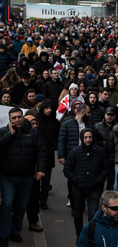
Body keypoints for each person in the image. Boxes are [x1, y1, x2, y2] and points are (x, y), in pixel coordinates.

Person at [0, 107, 46, 246]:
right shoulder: (3, 132)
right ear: (10, 120)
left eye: (19, 117)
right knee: (7, 205)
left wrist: (41, 169)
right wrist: (10, 134)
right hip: (7, 176)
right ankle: (3, 234)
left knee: (21, 206)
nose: (17, 120)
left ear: (23, 117)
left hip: (26, 177)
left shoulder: (33, 132)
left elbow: (41, 151)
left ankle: (15, 231)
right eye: (13, 118)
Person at [64, 128, 109, 242]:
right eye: (85, 137)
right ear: (82, 138)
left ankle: (91, 237)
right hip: (79, 189)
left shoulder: (100, 152)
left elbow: (106, 168)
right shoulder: (75, 152)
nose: (88, 139)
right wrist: (75, 180)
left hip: (94, 188)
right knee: (78, 214)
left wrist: (99, 180)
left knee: (93, 215)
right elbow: (67, 169)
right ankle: (80, 236)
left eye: (90, 137)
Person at [34, 99, 60, 210]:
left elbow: (57, 138)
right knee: (35, 180)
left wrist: (52, 147)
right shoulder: (36, 120)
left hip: (48, 155)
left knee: (46, 180)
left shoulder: (55, 123)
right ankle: (34, 200)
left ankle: (43, 201)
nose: (49, 110)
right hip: (34, 154)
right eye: (46, 108)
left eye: (50, 108)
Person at [94, 107, 117, 190]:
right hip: (101, 160)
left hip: (112, 160)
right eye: (108, 114)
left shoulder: (117, 127)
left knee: (111, 184)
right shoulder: (97, 127)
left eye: (111, 115)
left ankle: (108, 203)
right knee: (99, 183)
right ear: (104, 115)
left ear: (114, 116)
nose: (109, 117)